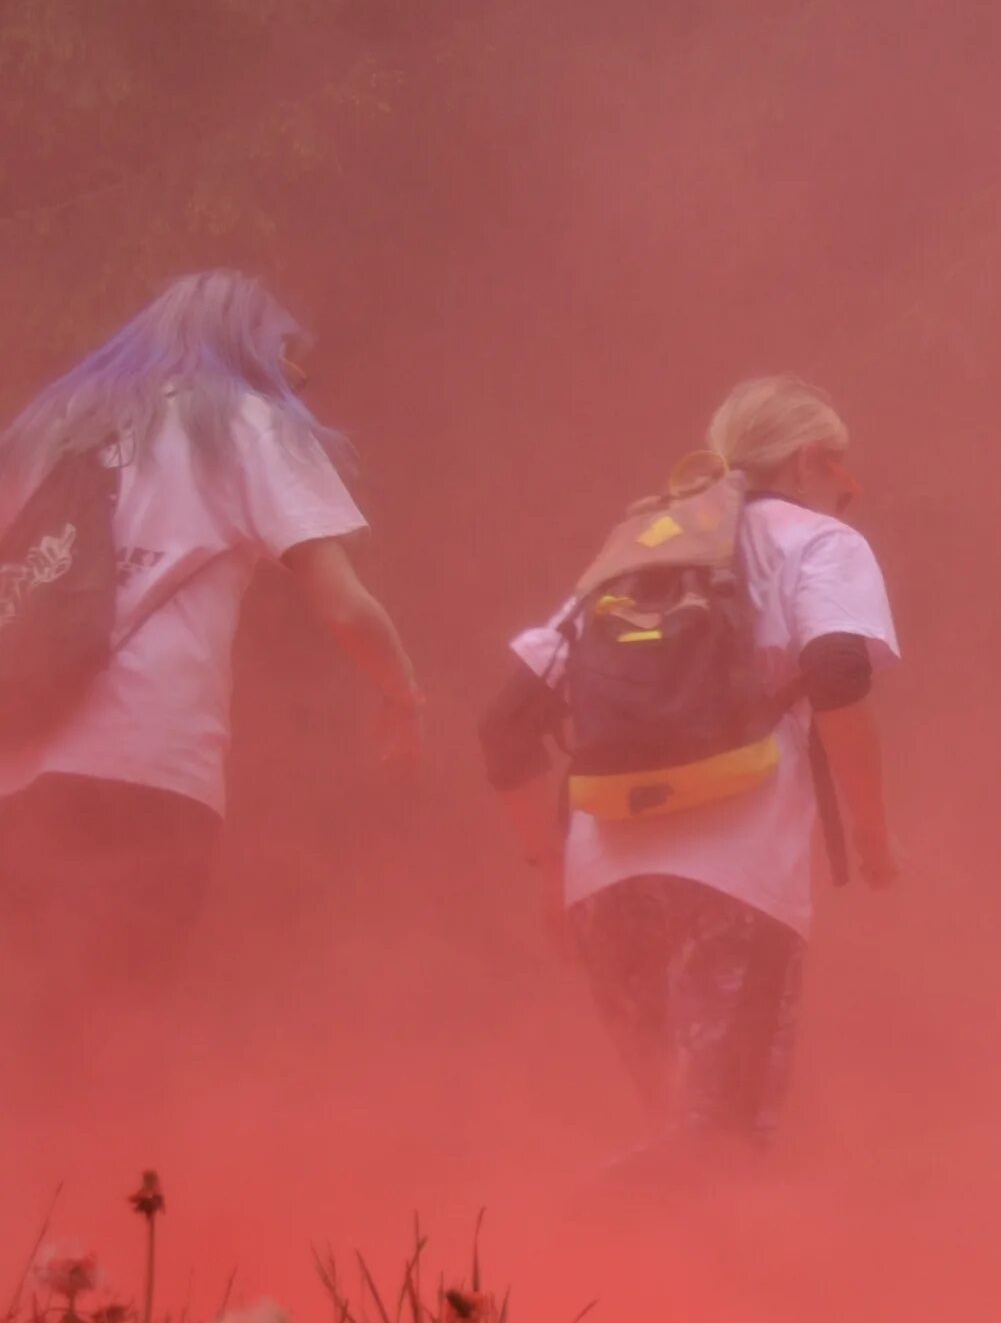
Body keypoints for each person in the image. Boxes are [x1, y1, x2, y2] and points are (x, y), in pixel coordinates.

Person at [0, 272, 422, 1073]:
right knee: (113, 1027)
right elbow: (346, 607)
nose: (297, 374)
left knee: (20, 1030)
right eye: (289, 354)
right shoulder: (245, 422)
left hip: (15, 774)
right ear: (254, 344)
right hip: (149, 767)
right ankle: (80, 1190)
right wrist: (402, 696)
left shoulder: (47, 426)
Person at [482, 375, 902, 1174]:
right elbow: (840, 672)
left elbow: (502, 728)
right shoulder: (820, 543)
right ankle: (567, 1231)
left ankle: (632, 1280)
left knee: (683, 1127)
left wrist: (548, 873)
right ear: (812, 460)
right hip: (736, 885)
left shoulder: (641, 552)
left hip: (604, 887)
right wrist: (874, 840)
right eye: (840, 466)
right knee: (722, 1147)